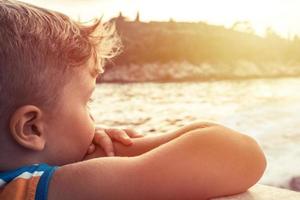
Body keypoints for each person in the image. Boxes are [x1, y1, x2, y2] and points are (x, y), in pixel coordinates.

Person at [0, 1, 266, 199]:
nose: (95, 121)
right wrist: (126, 149)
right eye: (87, 102)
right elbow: (239, 155)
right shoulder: (32, 189)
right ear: (31, 127)